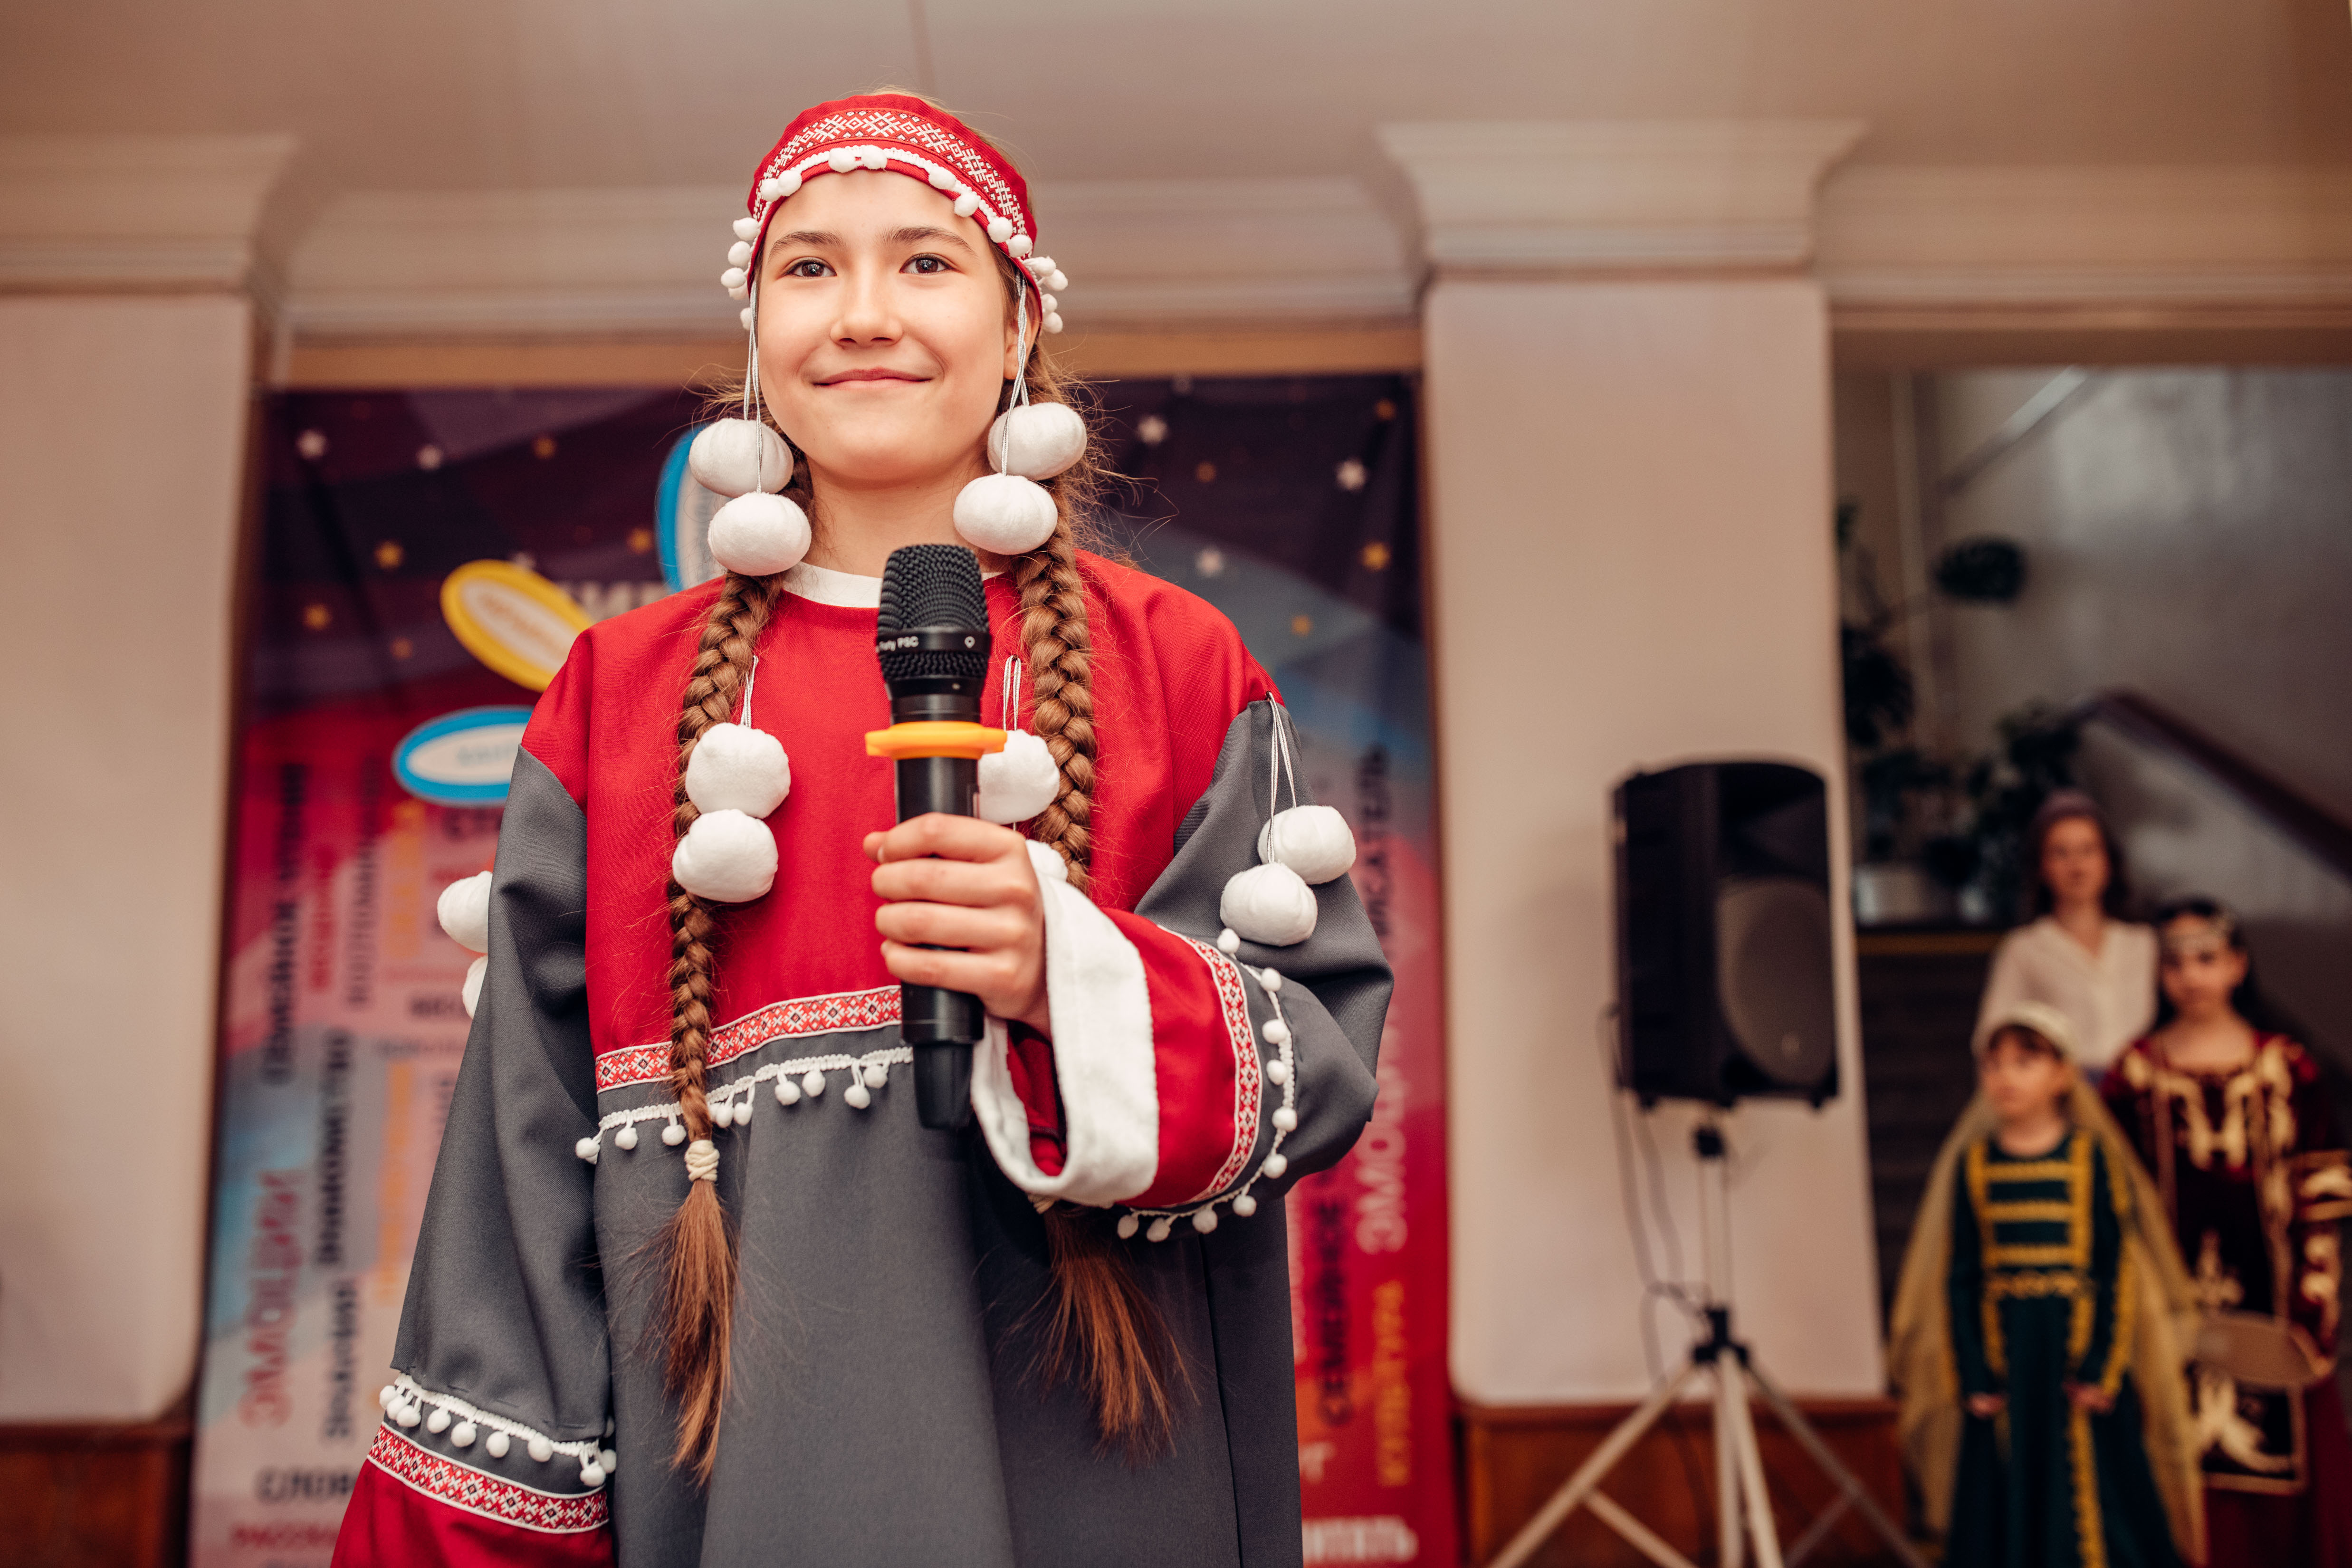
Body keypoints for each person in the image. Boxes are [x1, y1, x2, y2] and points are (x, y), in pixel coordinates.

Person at [331, 92, 1387, 1568]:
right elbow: (516, 1172)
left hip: (1101, 1475)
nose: (863, 313)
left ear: (1018, 328)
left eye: (926, 262)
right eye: (810, 267)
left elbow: (1313, 1061)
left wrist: (1065, 974)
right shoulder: (617, 698)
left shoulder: (1178, 665)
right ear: (757, 331)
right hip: (737, 1486)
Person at [1890, 998, 2201, 1568]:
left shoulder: (2092, 1159)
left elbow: (2116, 1267)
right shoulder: (1975, 1165)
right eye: (1993, 1065)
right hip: (2009, 1362)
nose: (2004, 1077)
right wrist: (1974, 1371)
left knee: (2100, 1497)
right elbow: (1962, 1276)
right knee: (2008, 1493)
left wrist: (2103, 1366)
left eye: (2024, 1062)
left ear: (2063, 1075)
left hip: (2073, 1359)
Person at [2104, 899, 2352, 1568]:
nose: (2192, 976)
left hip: (2277, 1310)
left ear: (2238, 965)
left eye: (2207, 959)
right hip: (2169, 1311)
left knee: (2289, 1481)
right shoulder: (2133, 1074)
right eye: (2176, 963)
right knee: (2182, 1479)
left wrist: (2315, 1303)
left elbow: (2322, 1192)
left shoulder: (2289, 1067)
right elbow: (2113, 1202)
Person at [1975, 790, 2158, 1077]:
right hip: (2065, 1087)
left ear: (2108, 861)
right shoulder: (2025, 947)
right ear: (2041, 866)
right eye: (2061, 853)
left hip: (2139, 1083)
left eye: (2088, 850)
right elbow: (1993, 1036)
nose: (2077, 866)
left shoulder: (2143, 942)